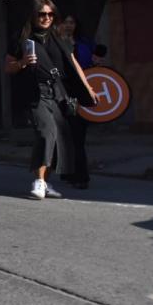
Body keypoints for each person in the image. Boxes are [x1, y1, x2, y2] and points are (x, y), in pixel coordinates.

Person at [4, 0, 97, 200]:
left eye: (50, 14)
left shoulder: (59, 37)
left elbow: (74, 64)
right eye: (42, 14)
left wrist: (88, 87)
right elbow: (8, 67)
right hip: (35, 93)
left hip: (58, 93)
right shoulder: (21, 38)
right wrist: (22, 62)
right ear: (33, 15)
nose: (46, 18)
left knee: (60, 138)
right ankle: (38, 181)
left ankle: (46, 182)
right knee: (46, 132)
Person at [57, 13, 96, 189]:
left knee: (78, 136)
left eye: (72, 22)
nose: (68, 25)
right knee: (68, 135)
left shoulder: (84, 44)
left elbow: (92, 67)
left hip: (82, 95)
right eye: (65, 22)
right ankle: (71, 173)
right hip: (65, 95)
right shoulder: (54, 44)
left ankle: (81, 176)